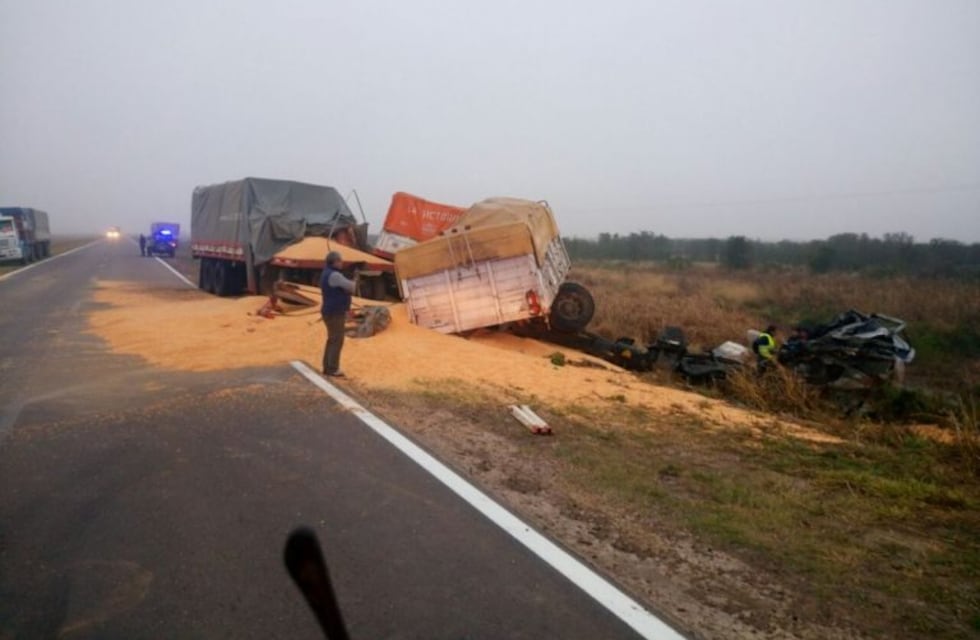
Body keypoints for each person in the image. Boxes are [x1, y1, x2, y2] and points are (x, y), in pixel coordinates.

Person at [320, 251, 357, 377]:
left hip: (330, 310)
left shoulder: (326, 273)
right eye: (340, 261)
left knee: (332, 339)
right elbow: (352, 287)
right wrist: (354, 278)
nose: (342, 263)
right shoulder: (335, 275)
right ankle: (332, 368)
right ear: (335, 262)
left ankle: (327, 366)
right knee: (337, 340)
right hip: (335, 312)